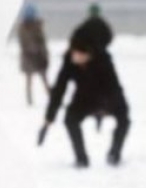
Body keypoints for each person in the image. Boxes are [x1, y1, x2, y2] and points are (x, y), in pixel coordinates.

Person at [38, 12, 130, 167]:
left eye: (80, 54)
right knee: (70, 119)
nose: (75, 57)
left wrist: (104, 107)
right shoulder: (70, 59)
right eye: (74, 52)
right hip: (83, 98)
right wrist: (49, 118)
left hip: (107, 97)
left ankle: (114, 153)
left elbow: (114, 88)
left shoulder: (104, 61)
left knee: (124, 118)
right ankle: (81, 158)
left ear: (91, 53)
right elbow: (60, 88)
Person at [17, 2, 50, 105]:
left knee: (42, 80)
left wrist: (43, 53)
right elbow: (26, 43)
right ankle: (30, 101)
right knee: (32, 80)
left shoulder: (33, 27)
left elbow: (42, 43)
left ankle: (50, 99)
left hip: (37, 57)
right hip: (31, 57)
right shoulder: (26, 28)